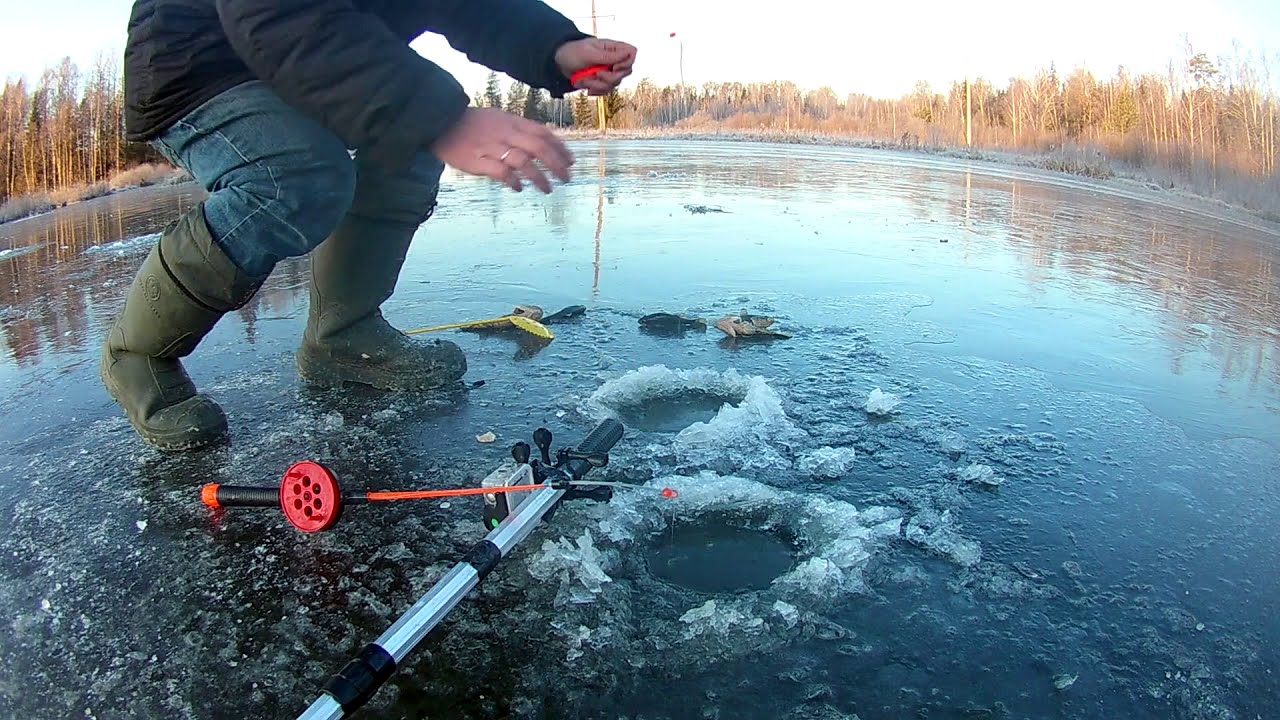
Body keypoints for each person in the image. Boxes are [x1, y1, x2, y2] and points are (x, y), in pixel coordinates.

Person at [103, 1, 637, 453]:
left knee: (406, 148)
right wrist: (438, 119)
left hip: (318, 57)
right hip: (205, 66)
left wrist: (555, 46)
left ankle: (343, 334)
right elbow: (275, 14)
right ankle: (139, 353)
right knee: (296, 175)